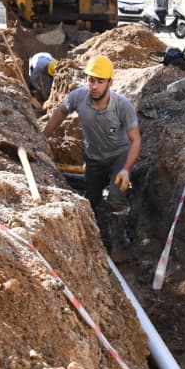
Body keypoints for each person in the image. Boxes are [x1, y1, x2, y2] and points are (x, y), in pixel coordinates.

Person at [42, 54, 142, 251]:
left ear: (110, 82)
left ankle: (120, 241)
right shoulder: (78, 97)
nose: (94, 86)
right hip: (93, 158)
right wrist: (42, 137)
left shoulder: (122, 106)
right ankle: (97, 237)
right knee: (92, 200)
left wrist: (126, 169)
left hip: (118, 157)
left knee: (115, 196)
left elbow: (136, 140)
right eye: (91, 80)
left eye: (100, 81)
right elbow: (61, 111)